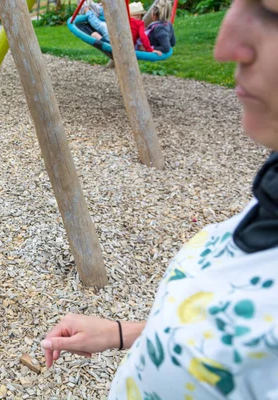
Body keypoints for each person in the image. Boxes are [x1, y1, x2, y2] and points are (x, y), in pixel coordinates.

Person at [42, 0, 278, 397]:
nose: (224, 47)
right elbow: (231, 338)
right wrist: (121, 334)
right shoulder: (268, 194)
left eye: (271, 12)